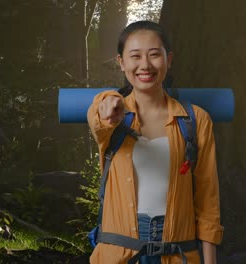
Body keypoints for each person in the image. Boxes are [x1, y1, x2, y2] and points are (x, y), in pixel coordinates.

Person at [87, 20, 223, 264]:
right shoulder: (112, 115)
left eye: (154, 55)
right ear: (121, 62)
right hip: (117, 254)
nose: (145, 65)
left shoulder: (195, 120)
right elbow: (97, 118)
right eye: (135, 56)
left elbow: (207, 200)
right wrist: (106, 101)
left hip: (178, 253)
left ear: (168, 59)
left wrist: (210, 261)